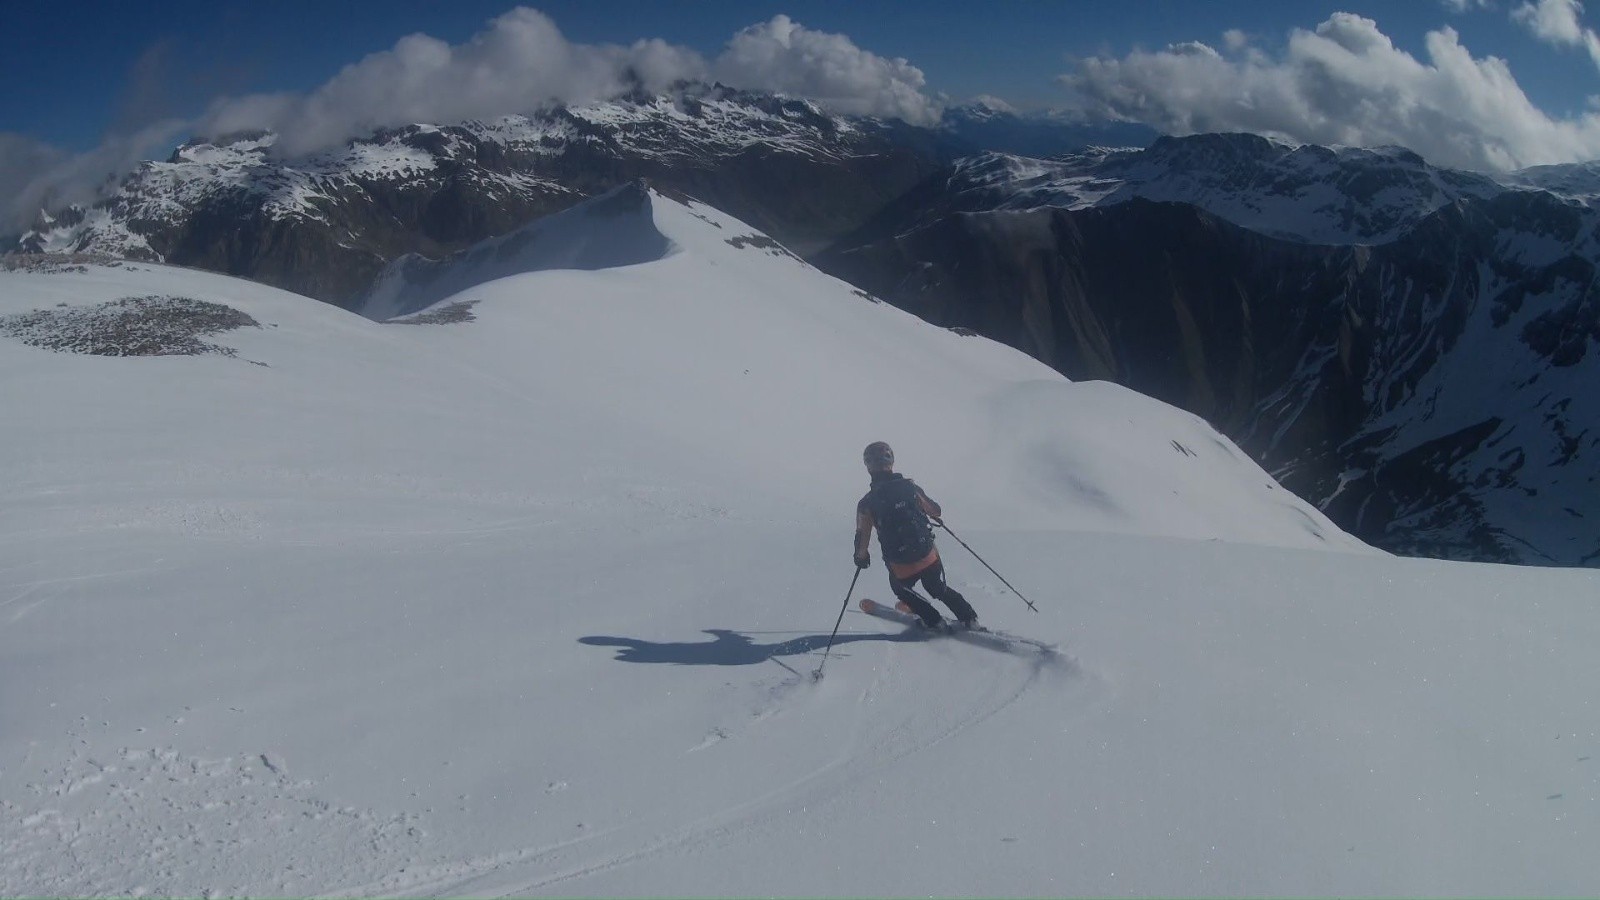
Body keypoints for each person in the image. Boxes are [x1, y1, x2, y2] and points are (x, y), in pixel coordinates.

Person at [853, 441, 978, 630]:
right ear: (891, 462)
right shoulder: (910, 487)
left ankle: (933, 620)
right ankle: (969, 618)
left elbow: (862, 537)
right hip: (928, 556)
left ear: (868, 467)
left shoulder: (867, 503)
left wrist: (861, 557)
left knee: (900, 588)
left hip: (900, 565)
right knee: (936, 587)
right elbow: (935, 510)